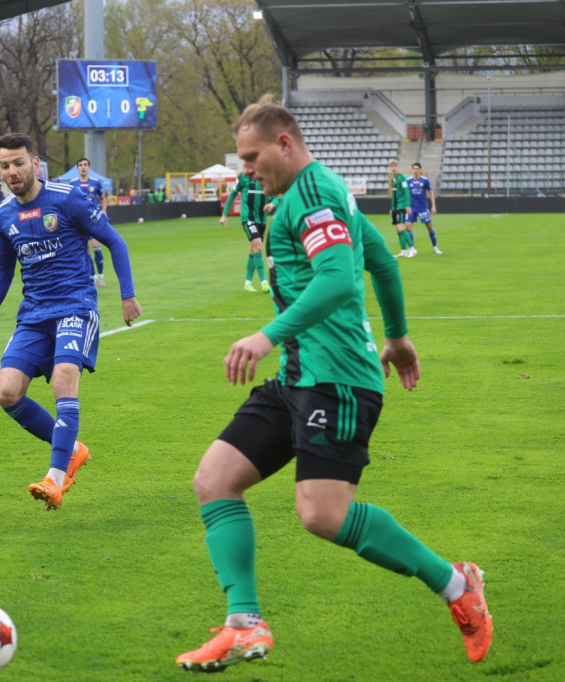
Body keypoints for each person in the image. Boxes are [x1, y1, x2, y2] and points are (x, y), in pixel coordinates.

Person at [175, 100, 492, 672]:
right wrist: (396, 337)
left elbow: (341, 278)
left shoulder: (314, 195)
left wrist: (266, 335)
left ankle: (456, 584)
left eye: (253, 157)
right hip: (300, 374)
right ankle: (244, 625)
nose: (246, 169)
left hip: (337, 381)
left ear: (285, 144)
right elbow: (383, 264)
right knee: (215, 479)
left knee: (323, 515)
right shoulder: (325, 189)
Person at [0, 133, 142, 511]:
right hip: (34, 315)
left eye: (19, 163)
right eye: (4, 165)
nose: (12, 171)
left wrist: (127, 295)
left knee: (63, 379)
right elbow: (2, 271)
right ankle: (73, 450)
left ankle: (55, 478)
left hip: (75, 307)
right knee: (6, 393)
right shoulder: (4, 214)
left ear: (35, 163)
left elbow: (115, 242)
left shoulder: (68, 197)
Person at [221, 173, 273, 293]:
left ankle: (248, 283)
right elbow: (233, 194)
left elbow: (275, 197)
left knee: (253, 249)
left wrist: (271, 204)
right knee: (258, 246)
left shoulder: (267, 176)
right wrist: (224, 215)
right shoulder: (243, 177)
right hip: (248, 218)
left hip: (262, 219)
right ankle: (264, 282)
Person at [68, 157, 109, 287]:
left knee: (97, 246)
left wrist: (103, 211)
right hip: (80, 222)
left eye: (85, 165)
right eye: (81, 165)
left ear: (89, 167)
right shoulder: (72, 184)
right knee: (86, 250)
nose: (83, 167)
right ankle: (93, 277)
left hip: (94, 220)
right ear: (77, 168)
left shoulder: (96, 182)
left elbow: (103, 198)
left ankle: (101, 276)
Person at [407, 163, 441, 255]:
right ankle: (412, 248)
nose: (415, 170)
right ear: (411, 170)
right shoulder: (408, 181)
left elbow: (431, 193)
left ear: (420, 170)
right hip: (412, 207)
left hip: (423, 207)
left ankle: (435, 247)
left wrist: (433, 206)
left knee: (429, 227)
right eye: (414, 169)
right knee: (408, 227)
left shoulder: (425, 180)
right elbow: (405, 194)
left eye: (417, 169)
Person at [388, 160, 415, 257]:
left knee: (400, 228)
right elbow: (394, 194)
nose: (393, 168)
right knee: (398, 229)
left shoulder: (402, 178)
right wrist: (392, 208)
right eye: (391, 166)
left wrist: (407, 205)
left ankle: (412, 248)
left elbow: (407, 191)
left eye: (395, 166)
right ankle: (403, 250)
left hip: (401, 206)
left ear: (398, 166)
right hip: (395, 207)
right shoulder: (393, 178)